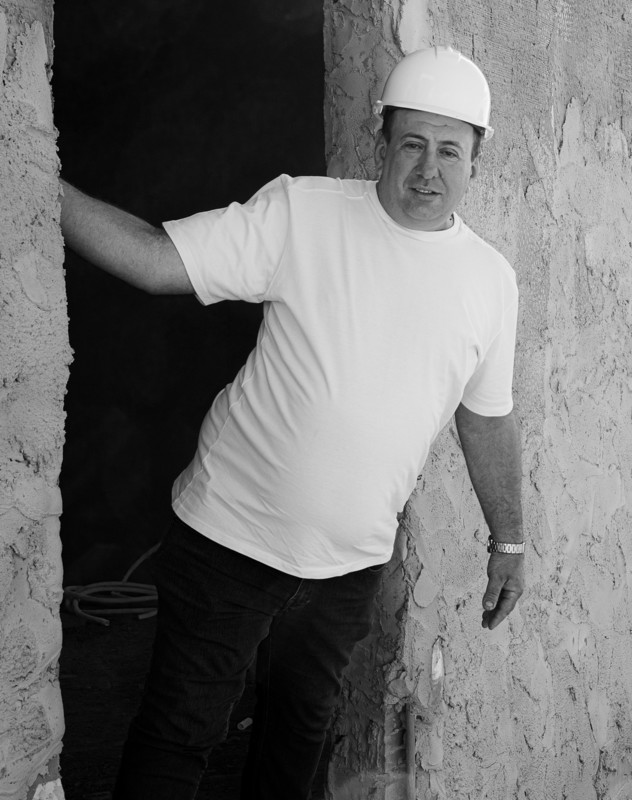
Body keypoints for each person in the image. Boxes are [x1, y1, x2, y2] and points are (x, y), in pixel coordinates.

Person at [59, 46, 525, 800]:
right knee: (179, 736)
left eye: (450, 149)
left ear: (478, 159)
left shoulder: (491, 281)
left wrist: (509, 540)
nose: (428, 169)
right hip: (229, 540)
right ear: (381, 140)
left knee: (297, 744)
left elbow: (488, 420)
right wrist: (30, 176)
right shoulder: (304, 212)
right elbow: (153, 260)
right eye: (412, 143)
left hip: (347, 568)